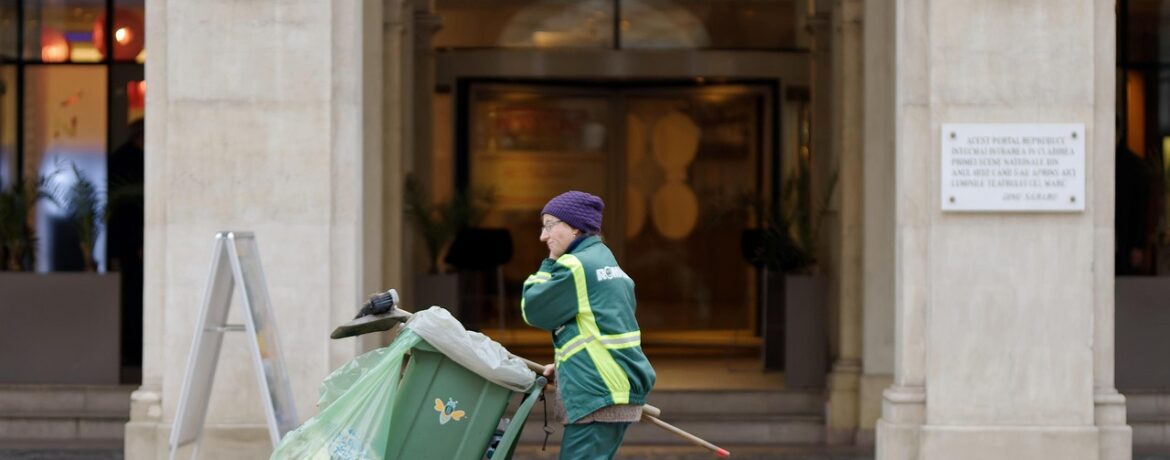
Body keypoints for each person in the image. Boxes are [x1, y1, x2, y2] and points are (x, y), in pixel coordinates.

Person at [520, 191, 655, 460]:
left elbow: (533, 309)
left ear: (575, 227)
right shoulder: (604, 259)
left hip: (598, 393)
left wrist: (548, 264)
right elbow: (598, 328)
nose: (543, 237)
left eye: (549, 225)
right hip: (610, 387)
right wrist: (566, 367)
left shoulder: (574, 265)